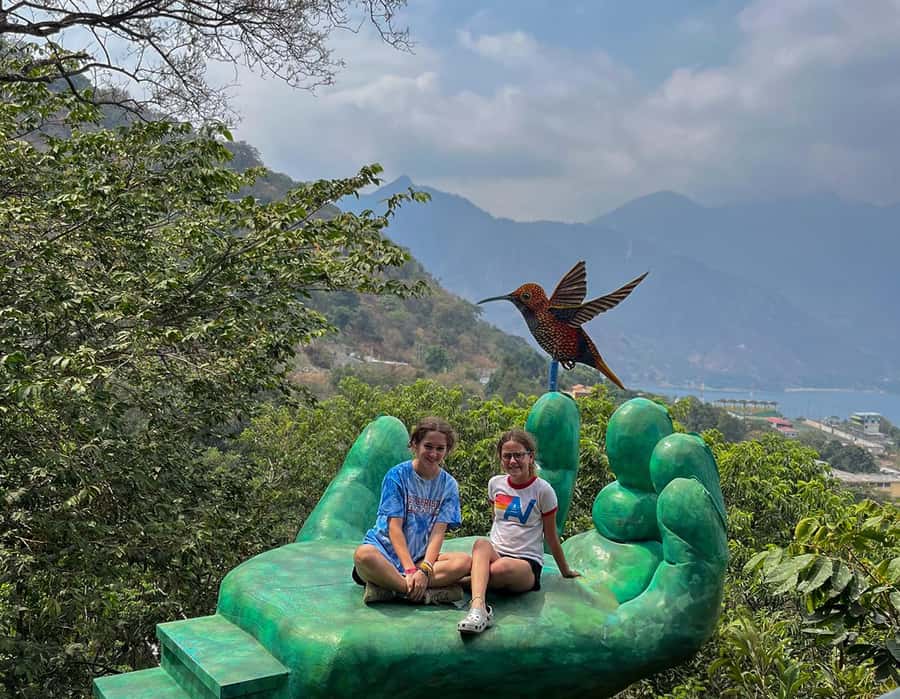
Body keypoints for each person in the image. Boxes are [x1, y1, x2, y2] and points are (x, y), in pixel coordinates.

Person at [458, 428, 580, 634]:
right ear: (500, 458)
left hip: (525, 564)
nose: (513, 461)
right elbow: (497, 520)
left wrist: (565, 571)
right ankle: (478, 608)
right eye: (507, 456)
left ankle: (459, 584)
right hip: (496, 554)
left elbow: (551, 536)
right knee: (481, 544)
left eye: (518, 455)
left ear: (530, 457)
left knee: (499, 568)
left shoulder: (543, 491)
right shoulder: (495, 484)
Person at [352, 417, 471, 605]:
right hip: (383, 554)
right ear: (415, 445)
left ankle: (388, 589)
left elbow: (437, 534)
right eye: (428, 446)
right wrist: (409, 571)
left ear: (447, 450)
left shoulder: (449, 485)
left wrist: (424, 569)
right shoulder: (396, 476)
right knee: (363, 555)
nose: (433, 453)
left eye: (440, 448)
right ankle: (422, 593)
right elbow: (394, 528)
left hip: (419, 559)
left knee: (464, 562)